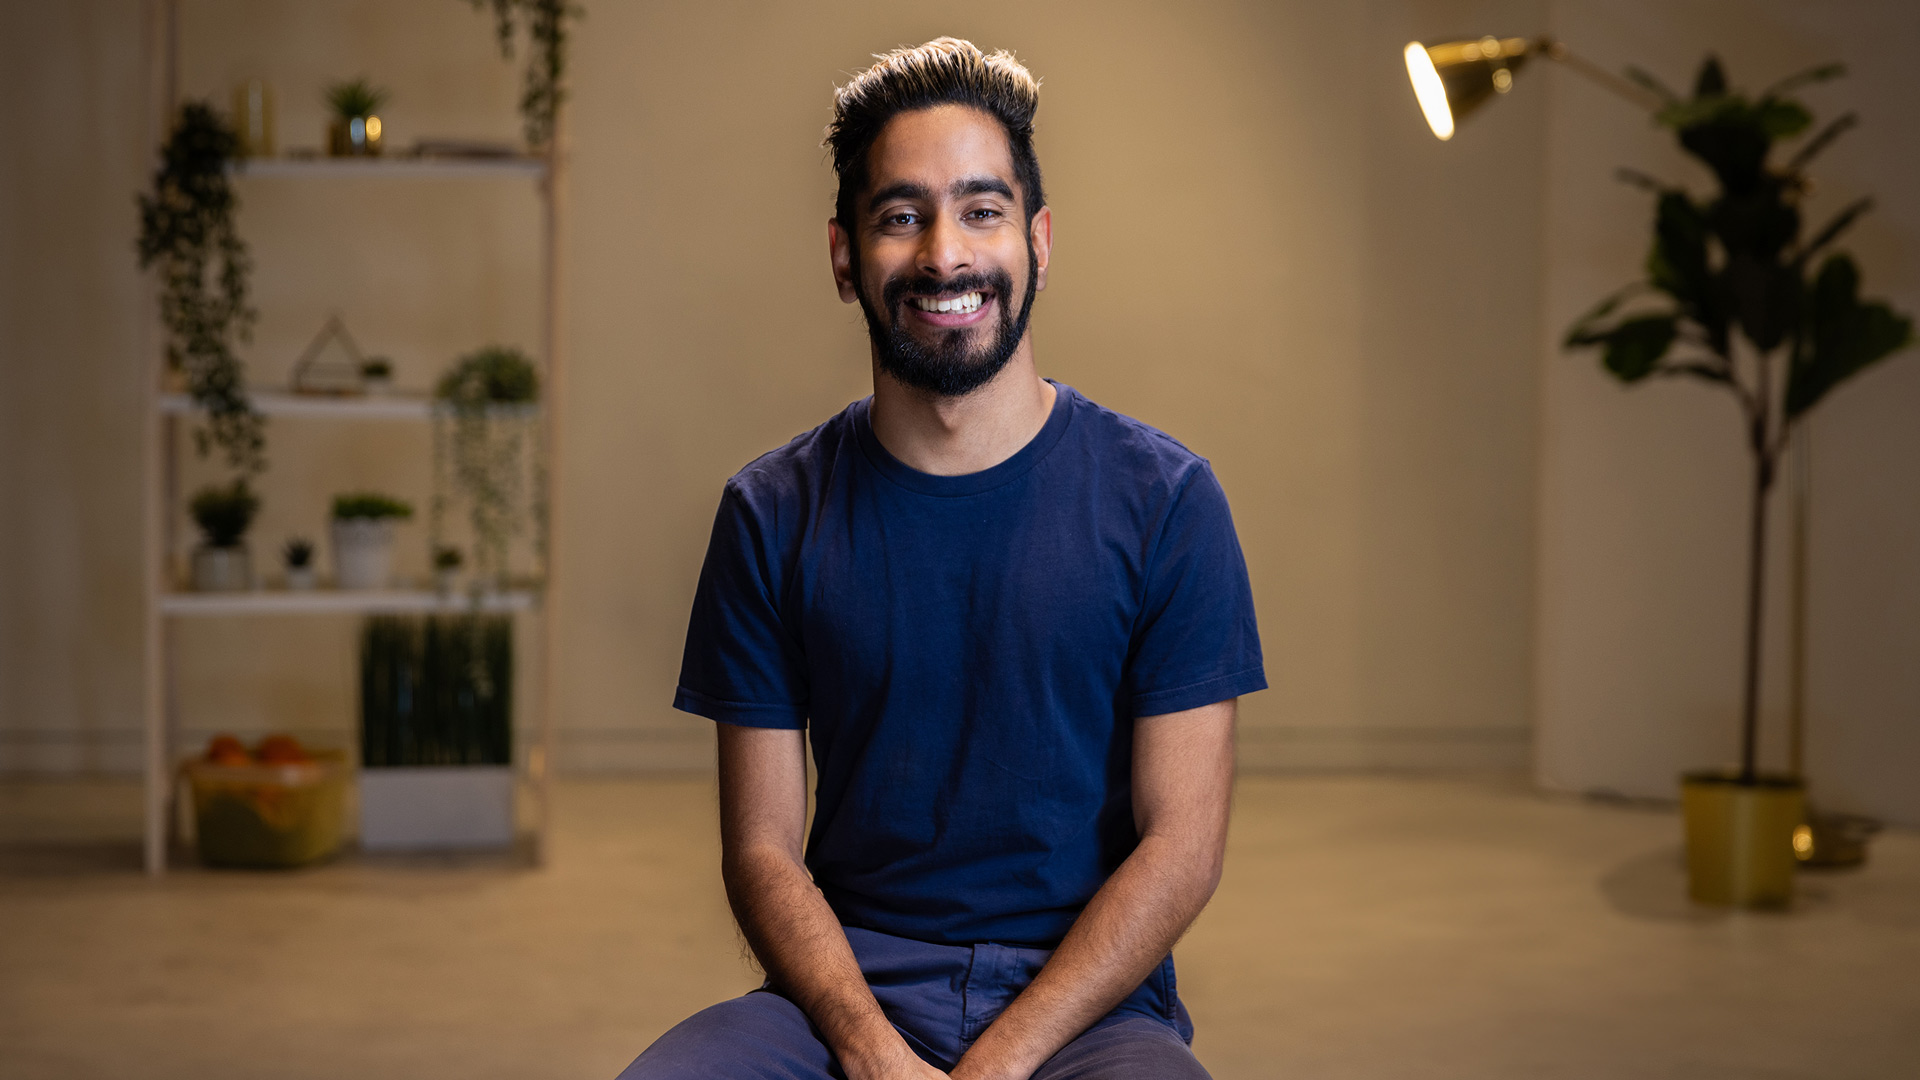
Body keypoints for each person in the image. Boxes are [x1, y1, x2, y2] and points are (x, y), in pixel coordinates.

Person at [619, 37, 1265, 1080]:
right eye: (901, 216)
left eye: (981, 210)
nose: (945, 256)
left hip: (1086, 1009)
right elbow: (762, 851)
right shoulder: (770, 513)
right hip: (844, 993)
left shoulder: (1166, 503)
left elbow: (1181, 849)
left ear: (1039, 242)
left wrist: (1005, 1059)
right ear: (844, 257)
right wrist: (870, 1048)